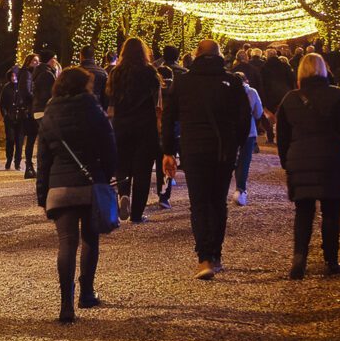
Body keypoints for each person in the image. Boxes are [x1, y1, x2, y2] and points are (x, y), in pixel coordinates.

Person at [277, 53, 340, 280]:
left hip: (300, 159)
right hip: (330, 158)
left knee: (303, 212)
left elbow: (282, 136)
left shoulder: (290, 99)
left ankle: (299, 258)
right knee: (331, 212)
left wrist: (286, 161)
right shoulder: (337, 97)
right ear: (324, 70)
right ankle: (331, 259)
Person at [162, 40, 250, 280]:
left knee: (199, 203)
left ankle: (204, 258)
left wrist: (168, 150)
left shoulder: (183, 82)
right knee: (218, 202)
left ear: (197, 55)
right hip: (223, 149)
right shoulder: (232, 82)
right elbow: (244, 118)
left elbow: (170, 118)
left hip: (194, 148)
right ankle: (217, 254)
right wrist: (237, 143)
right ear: (219, 55)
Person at [35, 67, 117, 324]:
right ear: (84, 87)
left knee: (67, 243)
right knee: (90, 239)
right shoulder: (93, 111)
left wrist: (42, 193)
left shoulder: (49, 114)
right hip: (90, 185)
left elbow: (44, 160)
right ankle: (87, 293)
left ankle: (65, 305)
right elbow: (109, 148)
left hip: (59, 188)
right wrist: (106, 174)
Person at [106, 38, 163, 224]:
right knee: (143, 170)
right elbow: (157, 102)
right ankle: (137, 213)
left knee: (122, 164)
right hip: (145, 125)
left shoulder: (116, 73)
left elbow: (111, 101)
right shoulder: (150, 72)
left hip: (122, 124)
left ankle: (123, 194)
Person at [231, 73, 264, 207]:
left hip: (229, 131)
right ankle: (240, 189)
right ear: (246, 80)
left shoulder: (227, 91)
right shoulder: (251, 92)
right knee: (244, 161)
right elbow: (258, 112)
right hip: (248, 131)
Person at [26, 50, 57, 179]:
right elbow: (49, 94)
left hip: (37, 110)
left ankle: (41, 168)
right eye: (54, 58)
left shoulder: (39, 72)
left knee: (43, 139)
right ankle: (44, 169)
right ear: (50, 60)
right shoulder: (47, 74)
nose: (56, 60)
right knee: (46, 141)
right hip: (43, 110)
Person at [260, 48, 296, 144]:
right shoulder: (285, 66)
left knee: (270, 117)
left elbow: (262, 83)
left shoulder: (264, 67)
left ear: (267, 56)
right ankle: (282, 136)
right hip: (284, 93)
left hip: (270, 95)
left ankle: (271, 136)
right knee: (283, 115)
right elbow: (292, 79)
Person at [154, 66, 175, 210]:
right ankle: (164, 195)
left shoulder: (155, 89)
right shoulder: (174, 89)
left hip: (153, 128)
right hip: (169, 130)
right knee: (167, 163)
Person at [0, 66, 28, 171]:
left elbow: (27, 100)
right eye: (12, 75)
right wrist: (6, 115)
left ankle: (17, 162)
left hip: (21, 119)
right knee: (10, 140)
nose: (13, 77)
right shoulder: (7, 88)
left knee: (19, 142)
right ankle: (9, 159)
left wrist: (25, 112)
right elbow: (2, 103)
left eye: (15, 75)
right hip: (10, 119)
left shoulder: (23, 87)